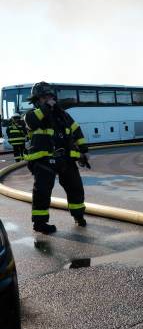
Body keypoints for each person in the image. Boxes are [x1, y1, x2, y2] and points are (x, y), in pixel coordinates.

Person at [24, 81, 89, 234]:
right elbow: (32, 122)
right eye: (44, 97)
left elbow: (77, 131)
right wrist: (47, 107)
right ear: (37, 99)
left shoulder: (63, 115)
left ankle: (79, 216)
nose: (48, 98)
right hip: (43, 160)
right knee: (42, 192)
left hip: (65, 159)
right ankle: (40, 224)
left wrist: (84, 150)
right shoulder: (32, 115)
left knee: (76, 188)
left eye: (50, 96)